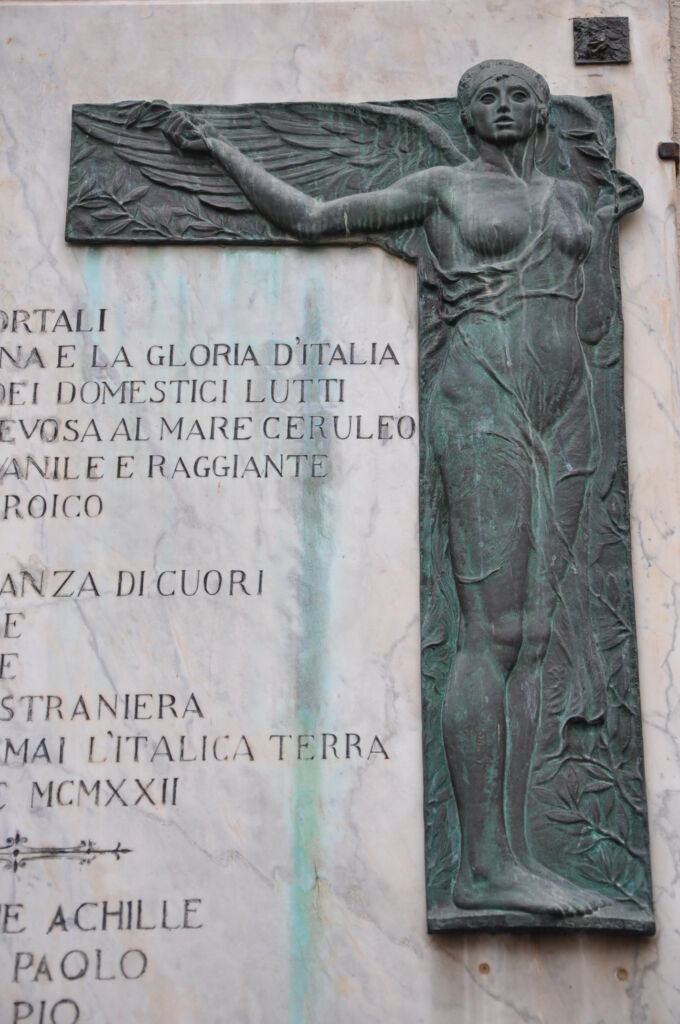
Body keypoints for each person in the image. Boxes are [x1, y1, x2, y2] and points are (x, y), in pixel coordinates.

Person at [163, 60, 642, 915]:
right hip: (482, 400)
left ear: (542, 110)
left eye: (519, 95)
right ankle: (480, 866)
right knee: (492, 631)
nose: (504, 106)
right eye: (486, 96)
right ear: (465, 117)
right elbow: (313, 219)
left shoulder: (574, 199)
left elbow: (597, 323)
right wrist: (221, 152)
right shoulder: (442, 188)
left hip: (569, 412)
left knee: (535, 637)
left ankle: (517, 856)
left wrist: (603, 227)